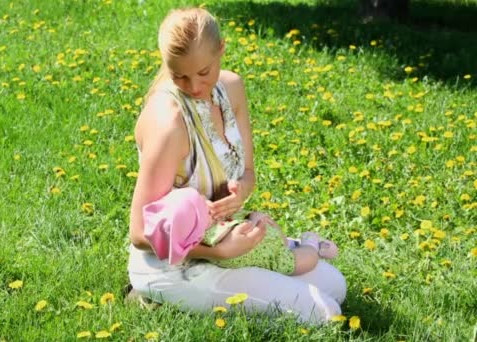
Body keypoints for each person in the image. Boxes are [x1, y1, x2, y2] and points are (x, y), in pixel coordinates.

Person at [127, 7, 346, 323]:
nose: (194, 87)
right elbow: (139, 234)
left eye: (203, 72)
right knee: (325, 313)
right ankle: (152, 295)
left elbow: (248, 173)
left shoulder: (230, 89)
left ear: (222, 50)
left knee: (335, 286)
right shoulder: (169, 124)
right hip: (175, 265)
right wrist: (218, 252)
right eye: (180, 76)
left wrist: (241, 191)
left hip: (226, 242)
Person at [141, 186, 339, 275]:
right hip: (275, 260)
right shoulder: (215, 238)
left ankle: (295, 243)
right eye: (205, 206)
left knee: (283, 241)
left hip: (271, 244)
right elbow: (247, 231)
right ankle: (311, 245)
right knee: (306, 260)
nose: (210, 203)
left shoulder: (201, 236)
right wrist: (254, 219)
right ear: (199, 225)